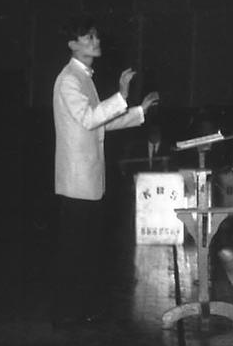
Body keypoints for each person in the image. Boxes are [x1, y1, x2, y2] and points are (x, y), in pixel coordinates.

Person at [52, 17, 158, 325]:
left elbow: (103, 122)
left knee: (85, 249)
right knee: (74, 250)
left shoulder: (84, 76)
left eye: (96, 35)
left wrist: (138, 111)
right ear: (73, 44)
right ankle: (66, 315)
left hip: (88, 178)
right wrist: (122, 95)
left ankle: (78, 312)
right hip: (76, 180)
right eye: (88, 37)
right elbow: (88, 118)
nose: (96, 40)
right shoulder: (69, 79)